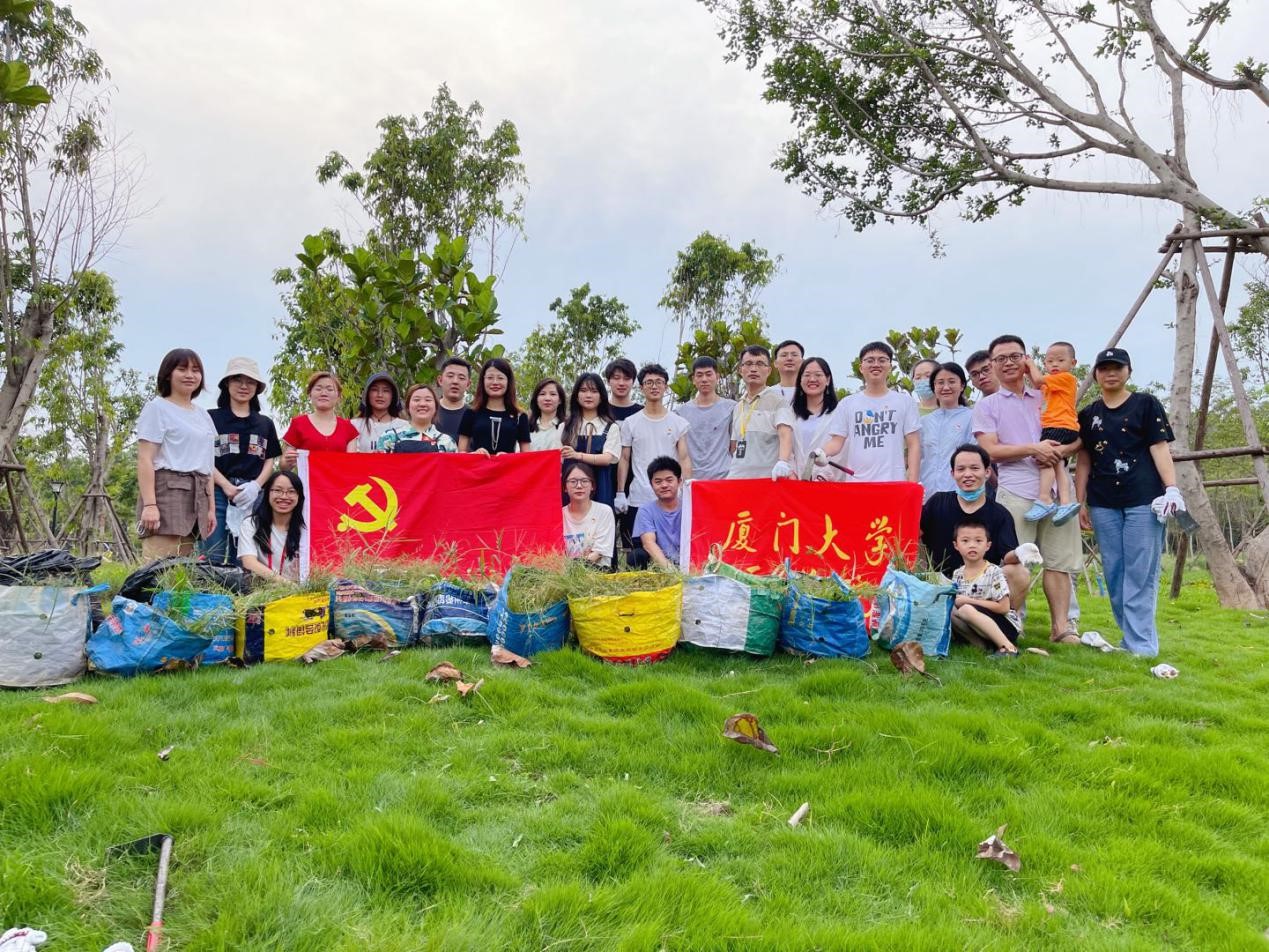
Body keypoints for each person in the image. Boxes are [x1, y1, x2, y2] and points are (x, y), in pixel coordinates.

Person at [972, 334, 1083, 645]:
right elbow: (989, 451)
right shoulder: (987, 406)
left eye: (1014, 356)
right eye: (1000, 359)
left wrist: (1060, 451)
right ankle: (1011, 622)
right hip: (1016, 492)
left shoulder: (1046, 393)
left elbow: (1076, 435)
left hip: (1060, 493)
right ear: (992, 365)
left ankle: (1061, 627)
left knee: (1059, 563)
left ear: (1026, 360)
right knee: (1014, 560)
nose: (1008, 363)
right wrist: (1034, 448)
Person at [1075, 348, 1181, 658]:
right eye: (1104, 368)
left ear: (1128, 371)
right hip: (1103, 502)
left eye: (1117, 367)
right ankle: (1131, 639)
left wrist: (1171, 489)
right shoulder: (1088, 414)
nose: (1111, 373)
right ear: (1095, 374)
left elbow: (1159, 448)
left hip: (1143, 500)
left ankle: (1142, 646)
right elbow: (1084, 460)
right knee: (1115, 572)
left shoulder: (1146, 404)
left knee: (1140, 572)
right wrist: (1079, 502)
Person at [920, 443, 1036, 615]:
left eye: (974, 468)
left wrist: (1022, 552)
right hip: (941, 582)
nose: (968, 474)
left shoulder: (1000, 514)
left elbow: (1007, 555)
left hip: (982, 585)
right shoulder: (938, 502)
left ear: (987, 472)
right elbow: (915, 533)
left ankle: (1006, 622)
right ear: (953, 474)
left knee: (1019, 572)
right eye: (961, 469)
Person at [135, 348, 217, 560]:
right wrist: (150, 505)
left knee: (184, 569)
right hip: (167, 492)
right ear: (168, 374)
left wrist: (211, 509)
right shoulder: (157, 408)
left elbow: (208, 465)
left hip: (197, 496)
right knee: (159, 567)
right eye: (182, 369)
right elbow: (145, 459)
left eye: (196, 370)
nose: (190, 375)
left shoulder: (203, 415)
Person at [204, 357, 282, 566]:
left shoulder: (265, 423)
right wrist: (226, 486)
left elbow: (270, 459)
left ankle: (243, 589)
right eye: (237, 380)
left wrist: (256, 486)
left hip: (253, 495)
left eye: (250, 382)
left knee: (246, 556)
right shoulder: (210, 418)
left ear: (257, 388)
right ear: (227, 384)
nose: (244, 386)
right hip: (217, 492)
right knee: (213, 554)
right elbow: (203, 457)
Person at [815, 341, 920, 482]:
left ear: (890, 367)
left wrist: (913, 482)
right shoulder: (847, 403)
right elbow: (836, 442)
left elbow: (913, 444)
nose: (876, 364)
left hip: (893, 483)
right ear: (861, 368)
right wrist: (822, 452)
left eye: (882, 360)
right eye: (870, 360)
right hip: (857, 484)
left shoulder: (905, 402)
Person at [615, 364, 691, 535]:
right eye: (649, 382)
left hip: (671, 495)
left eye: (659, 382)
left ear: (666, 387)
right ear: (641, 388)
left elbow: (684, 458)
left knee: (671, 543)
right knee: (636, 547)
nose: (654, 386)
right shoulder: (631, 422)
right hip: (639, 496)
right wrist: (620, 492)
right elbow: (624, 458)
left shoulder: (678, 422)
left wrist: (686, 490)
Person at [1022, 342, 1081, 525]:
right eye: (1049, 361)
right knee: (1058, 465)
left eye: (1060, 360)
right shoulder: (1054, 382)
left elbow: (1039, 380)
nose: (1054, 364)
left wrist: (1030, 364)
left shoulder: (1066, 378)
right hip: (1064, 427)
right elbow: (1038, 384)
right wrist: (1027, 373)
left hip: (1058, 425)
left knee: (1045, 459)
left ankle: (1044, 498)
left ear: (1073, 363)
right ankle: (1066, 502)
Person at [949, 517, 1021, 656]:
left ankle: (1008, 647)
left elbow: (1004, 607)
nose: (972, 545)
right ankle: (982, 648)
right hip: (976, 625)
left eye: (978, 541)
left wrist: (969, 601)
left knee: (965, 609)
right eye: (965, 541)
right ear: (956, 545)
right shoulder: (957, 574)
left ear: (988, 545)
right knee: (950, 609)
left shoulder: (993, 571)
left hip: (1004, 626)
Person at [727, 345, 796, 480]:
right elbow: (734, 445)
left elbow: (785, 435)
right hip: (737, 478)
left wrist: (783, 461)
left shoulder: (778, 402)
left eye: (760, 364)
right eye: (748, 364)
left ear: (768, 370)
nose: (753, 369)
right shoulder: (738, 407)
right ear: (740, 370)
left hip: (766, 479)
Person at [560, 373, 622, 507]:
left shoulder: (611, 427)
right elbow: (557, 461)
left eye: (594, 391)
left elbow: (607, 459)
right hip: (570, 490)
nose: (588, 395)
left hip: (601, 487)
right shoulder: (565, 426)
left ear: (601, 396)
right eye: (583, 390)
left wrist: (577, 455)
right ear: (576, 395)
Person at [917, 362, 975, 499]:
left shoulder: (972, 417)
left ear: (962, 385)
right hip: (927, 495)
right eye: (940, 383)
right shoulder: (924, 422)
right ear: (934, 387)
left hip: (959, 494)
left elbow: (976, 457)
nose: (946, 387)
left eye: (952, 382)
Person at [238, 470, 305, 582]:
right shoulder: (251, 524)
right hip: (261, 589)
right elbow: (249, 562)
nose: (284, 496)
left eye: (291, 491)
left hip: (300, 591)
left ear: (299, 496)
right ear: (267, 493)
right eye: (277, 490)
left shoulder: (306, 530)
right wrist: (287, 585)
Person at [676, 356, 736, 480]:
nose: (704, 379)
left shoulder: (732, 408)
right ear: (693, 379)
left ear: (717, 377)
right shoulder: (680, 413)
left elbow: (734, 446)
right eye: (699, 375)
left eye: (709, 374)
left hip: (724, 478)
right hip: (692, 480)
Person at [281, 372, 358, 466]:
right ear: (310, 394)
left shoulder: (348, 428)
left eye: (329, 389)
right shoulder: (298, 423)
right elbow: (283, 465)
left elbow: (351, 465)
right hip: (307, 476)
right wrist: (289, 460)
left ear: (338, 396)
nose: (323, 393)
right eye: (318, 389)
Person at [458, 358, 531, 455]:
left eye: (500, 378)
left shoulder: (520, 416)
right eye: (490, 378)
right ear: (483, 381)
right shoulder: (471, 413)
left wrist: (510, 458)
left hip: (508, 465)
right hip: (477, 465)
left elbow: (526, 457)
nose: (495, 382)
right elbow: (460, 454)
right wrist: (474, 454)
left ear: (508, 381)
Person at [790, 357, 845, 479]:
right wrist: (791, 473)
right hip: (794, 483)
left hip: (827, 483)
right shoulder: (790, 413)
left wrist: (822, 477)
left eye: (818, 375)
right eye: (807, 375)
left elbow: (841, 450)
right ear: (800, 380)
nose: (812, 379)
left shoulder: (839, 413)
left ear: (828, 380)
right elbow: (786, 447)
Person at [630, 456, 683, 570]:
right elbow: (648, 543)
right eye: (658, 482)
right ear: (651, 485)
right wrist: (671, 571)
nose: (664, 485)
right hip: (658, 565)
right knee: (636, 555)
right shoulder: (645, 510)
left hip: (689, 563)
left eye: (669, 480)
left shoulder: (689, 507)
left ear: (679, 481)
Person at [562, 461, 616, 568]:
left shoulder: (604, 511)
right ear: (565, 487)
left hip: (597, 570)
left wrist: (576, 567)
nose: (579, 486)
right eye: (573, 481)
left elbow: (599, 552)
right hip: (565, 572)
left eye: (584, 481)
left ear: (592, 486)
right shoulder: (559, 515)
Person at [378, 384, 458, 453]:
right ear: (408, 407)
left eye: (428, 400)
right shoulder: (389, 438)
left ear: (436, 407)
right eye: (416, 400)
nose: (422, 404)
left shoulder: (447, 442)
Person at [349, 372, 409, 452]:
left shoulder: (404, 427)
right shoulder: (354, 425)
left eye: (386, 390)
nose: (380, 395)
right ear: (367, 394)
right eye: (374, 390)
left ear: (393, 396)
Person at [435, 357, 472, 442]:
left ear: (468, 384)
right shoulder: (427, 412)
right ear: (440, 380)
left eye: (461, 378)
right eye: (450, 376)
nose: (455, 381)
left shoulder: (475, 416)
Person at [527, 378, 566, 451]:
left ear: (560, 400)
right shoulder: (526, 428)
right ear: (536, 400)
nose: (547, 398)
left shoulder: (567, 427)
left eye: (553, 394)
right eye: (542, 394)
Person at [604, 357, 643, 422]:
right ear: (608, 381)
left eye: (626, 378)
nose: (621, 383)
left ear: (633, 382)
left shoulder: (642, 413)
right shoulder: (600, 410)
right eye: (616, 378)